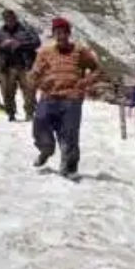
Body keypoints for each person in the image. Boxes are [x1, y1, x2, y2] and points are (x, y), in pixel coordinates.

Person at [29, 17, 101, 177]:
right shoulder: (45, 52)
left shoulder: (80, 51)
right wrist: (39, 83)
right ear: (53, 34)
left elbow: (96, 69)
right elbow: (34, 74)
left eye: (63, 33)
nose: (60, 36)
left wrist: (84, 82)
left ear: (68, 34)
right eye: (57, 33)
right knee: (40, 123)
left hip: (72, 97)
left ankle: (69, 166)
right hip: (49, 96)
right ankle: (46, 149)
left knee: (69, 132)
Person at [0, 9, 41, 122]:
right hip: (6, 67)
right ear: (4, 19)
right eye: (6, 19)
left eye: (11, 18)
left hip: (25, 65)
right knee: (7, 91)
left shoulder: (27, 30)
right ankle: (11, 114)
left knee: (29, 90)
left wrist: (20, 45)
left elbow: (37, 42)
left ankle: (29, 114)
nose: (9, 20)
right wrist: (2, 46)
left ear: (15, 18)